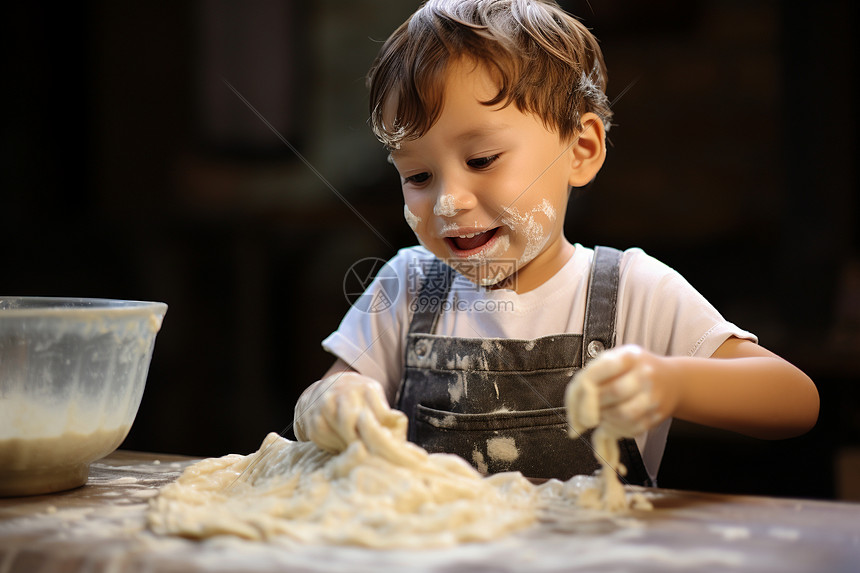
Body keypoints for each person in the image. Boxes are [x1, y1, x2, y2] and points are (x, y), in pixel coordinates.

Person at [293, 0, 819, 487]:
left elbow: (795, 401)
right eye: (418, 175)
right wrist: (335, 398)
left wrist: (671, 382)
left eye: (480, 161)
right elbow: (322, 395)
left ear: (581, 150)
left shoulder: (633, 290)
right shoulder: (408, 287)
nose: (448, 201)